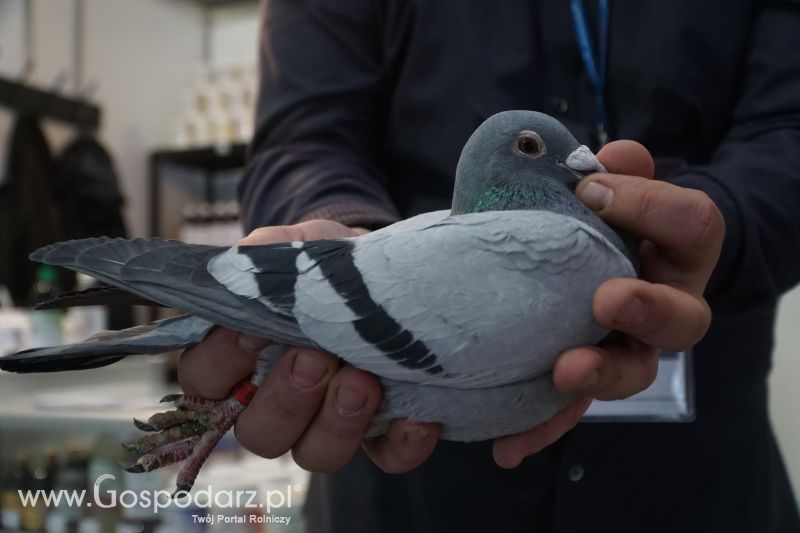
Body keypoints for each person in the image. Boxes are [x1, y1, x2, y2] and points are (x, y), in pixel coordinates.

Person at [178, 1, 800, 531]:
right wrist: (356, 245)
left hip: (697, 473)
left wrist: (712, 230)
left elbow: (788, 130)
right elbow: (304, 135)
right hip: (404, 476)